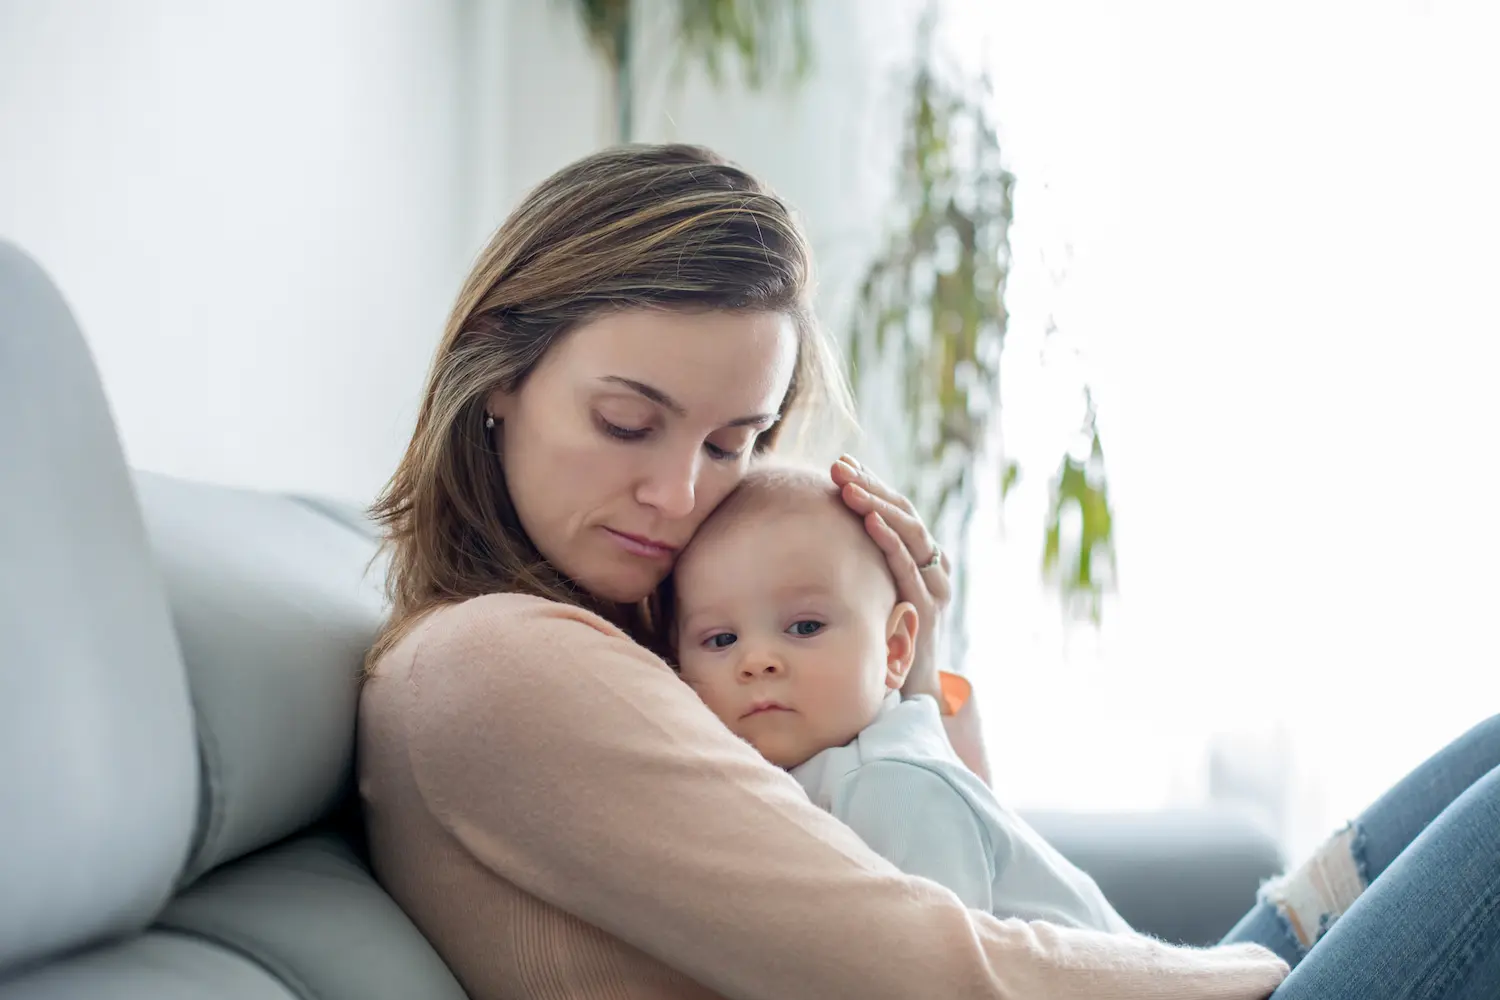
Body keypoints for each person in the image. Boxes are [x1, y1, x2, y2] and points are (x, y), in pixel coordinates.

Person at [357, 142, 1500, 1000]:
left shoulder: (632, 639)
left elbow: (947, 860)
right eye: (626, 421)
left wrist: (911, 685)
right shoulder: (493, 662)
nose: (680, 494)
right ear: (496, 375)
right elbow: (912, 959)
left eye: (731, 442)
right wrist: (1247, 974)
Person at [672, 462, 1133, 932]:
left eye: (805, 626)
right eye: (721, 639)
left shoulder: (891, 782)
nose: (756, 660)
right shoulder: (816, 772)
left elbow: (945, 972)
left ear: (895, 649)